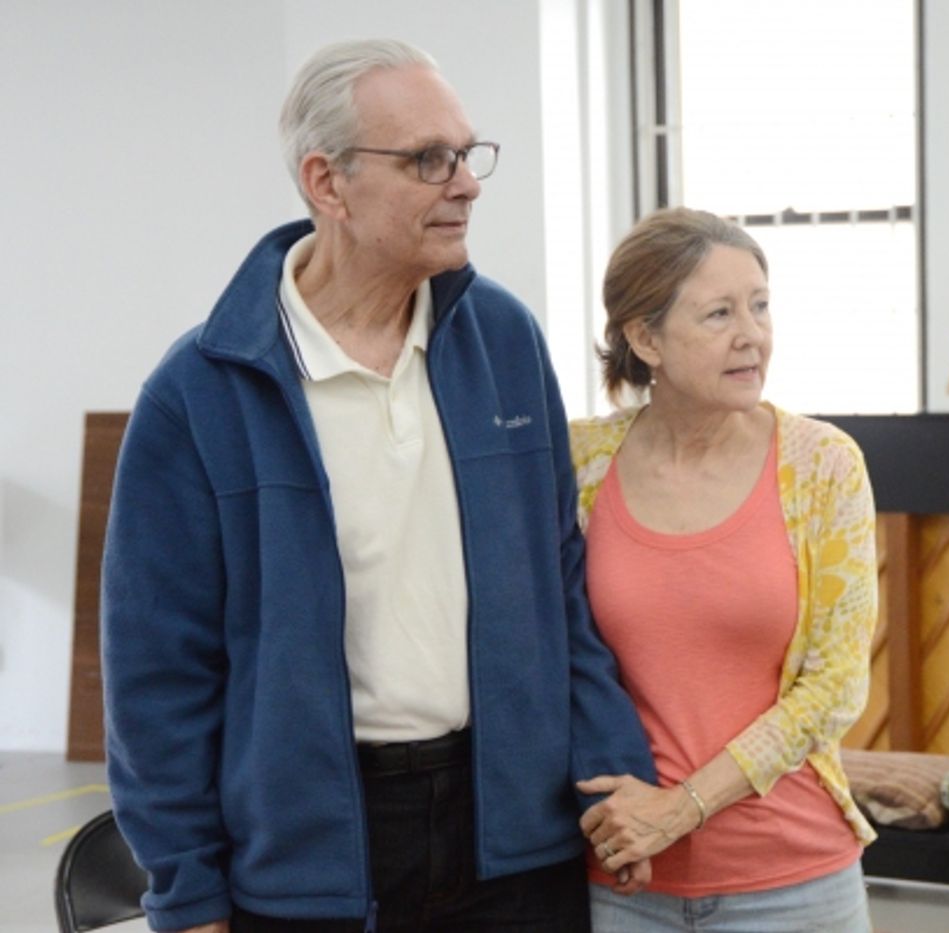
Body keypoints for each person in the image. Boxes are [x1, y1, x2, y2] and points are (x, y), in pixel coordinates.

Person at [101, 39, 654, 933]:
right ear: (328, 183)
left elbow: (560, 586)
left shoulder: (505, 341)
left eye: (469, 155)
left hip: (514, 830)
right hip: (311, 849)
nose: (466, 183)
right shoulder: (199, 393)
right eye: (428, 160)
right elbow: (156, 678)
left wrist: (609, 765)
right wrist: (186, 888)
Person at [567, 207, 879, 932]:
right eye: (718, 313)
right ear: (645, 339)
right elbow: (553, 654)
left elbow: (835, 685)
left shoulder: (824, 465)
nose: (753, 335)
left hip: (793, 877)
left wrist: (681, 808)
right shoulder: (579, 462)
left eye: (760, 306)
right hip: (620, 876)